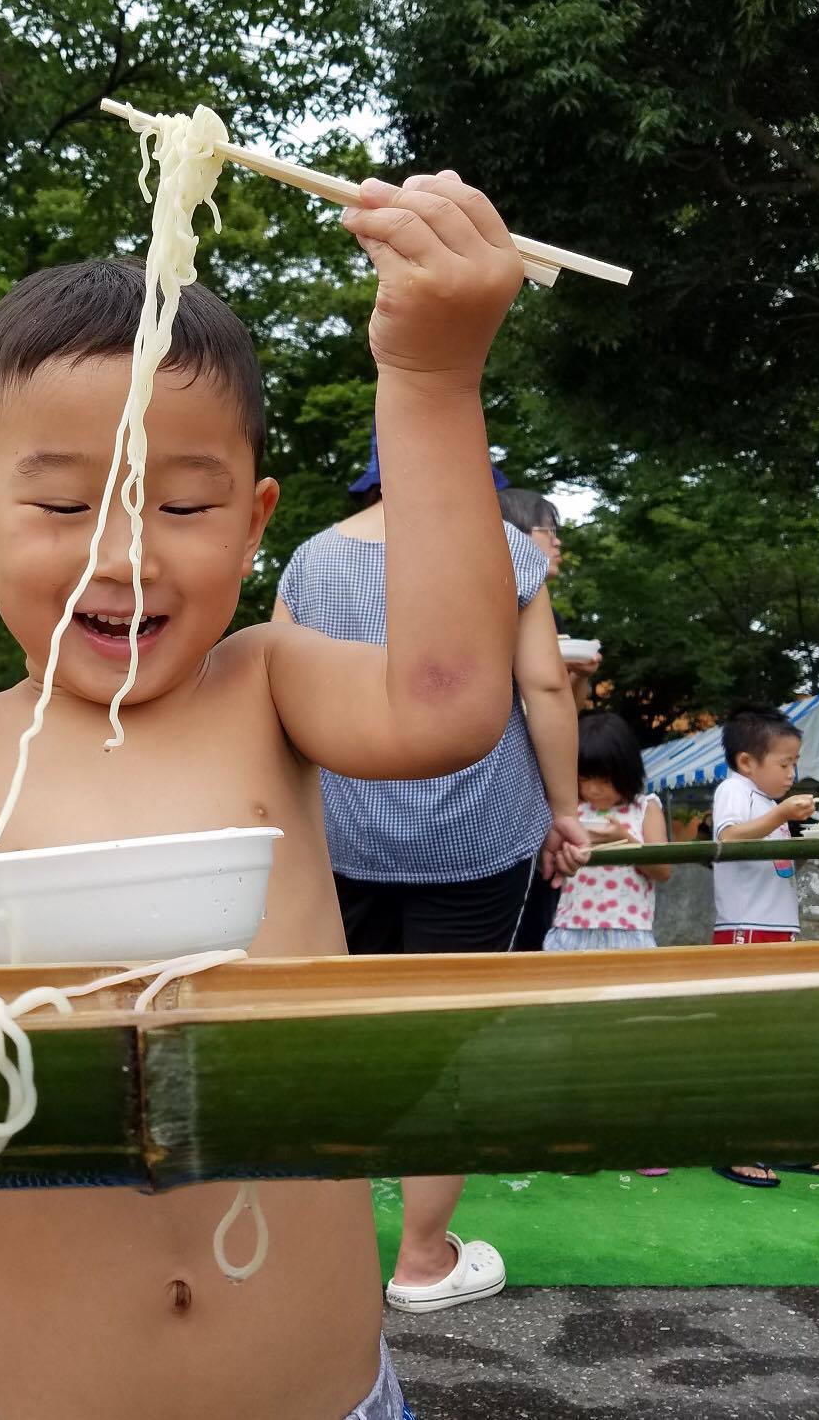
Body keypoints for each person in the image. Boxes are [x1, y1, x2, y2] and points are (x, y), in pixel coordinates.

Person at [0, 170, 524, 1420]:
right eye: (60, 502)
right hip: (31, 1388)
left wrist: (428, 376)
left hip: (314, 1386)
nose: (126, 548)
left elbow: (454, 697)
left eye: (185, 500)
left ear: (254, 523)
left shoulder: (268, 683)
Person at [275, 459, 587, 1312]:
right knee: (446, 1040)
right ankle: (420, 1261)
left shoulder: (309, 561)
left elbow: (279, 699)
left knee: (335, 1037)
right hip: (477, 835)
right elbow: (547, 684)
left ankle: (308, 1251)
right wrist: (566, 812)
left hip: (345, 836)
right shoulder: (502, 552)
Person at [709, 705, 819, 1190]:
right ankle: (734, 1144)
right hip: (745, 931)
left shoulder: (763, 798)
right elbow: (729, 839)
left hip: (779, 929)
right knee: (746, 1044)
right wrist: (781, 813)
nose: (792, 774)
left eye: (795, 764)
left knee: (781, 1044)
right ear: (746, 762)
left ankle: (785, 1141)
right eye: (784, 764)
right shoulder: (734, 792)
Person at [544, 711, 671, 950]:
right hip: (572, 926)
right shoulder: (571, 810)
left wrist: (624, 840)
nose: (593, 790)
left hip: (628, 929)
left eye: (604, 781)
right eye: (584, 779)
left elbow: (663, 870)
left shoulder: (645, 808)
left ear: (626, 772)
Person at [497, 489, 601, 709]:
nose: (557, 542)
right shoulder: (487, 611)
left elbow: (568, 711)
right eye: (548, 531)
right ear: (513, 534)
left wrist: (580, 674)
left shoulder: (551, 618)